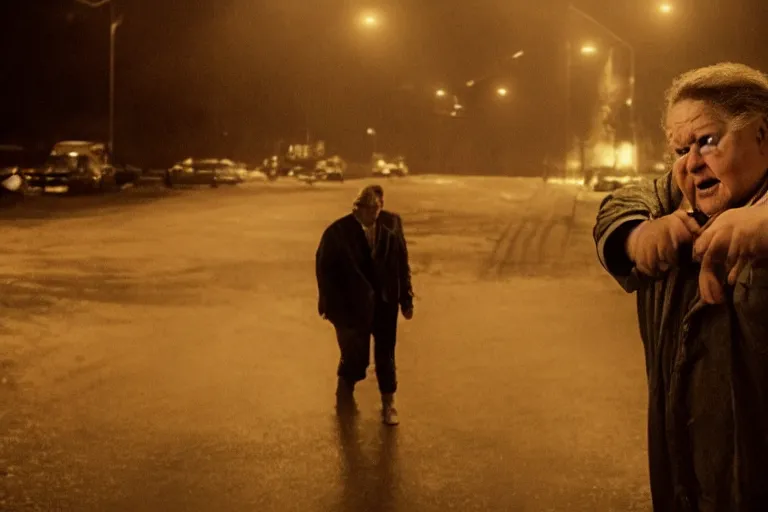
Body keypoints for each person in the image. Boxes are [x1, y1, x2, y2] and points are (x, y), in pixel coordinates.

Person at [594, 62, 768, 511]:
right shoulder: (672, 199)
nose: (691, 164)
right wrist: (639, 235)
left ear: (762, 136)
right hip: (682, 481)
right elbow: (621, 203)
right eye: (678, 149)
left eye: (708, 141)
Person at [315, 184, 414, 426]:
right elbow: (324, 270)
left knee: (386, 354)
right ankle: (345, 388)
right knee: (354, 355)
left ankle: (389, 403)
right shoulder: (337, 233)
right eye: (368, 210)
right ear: (356, 208)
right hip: (352, 306)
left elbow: (402, 262)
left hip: (385, 301)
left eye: (377, 209)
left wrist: (406, 298)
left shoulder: (391, 224)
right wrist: (327, 302)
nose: (374, 214)